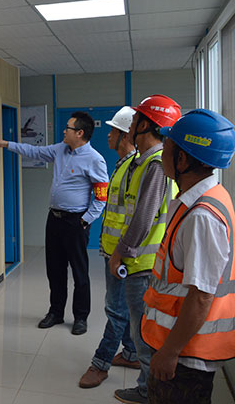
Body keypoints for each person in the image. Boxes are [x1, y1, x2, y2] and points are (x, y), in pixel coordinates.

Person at [141, 109, 235, 404]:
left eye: (167, 147)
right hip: (180, 345)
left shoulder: (201, 216)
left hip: (184, 356)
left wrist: (170, 352)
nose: (162, 154)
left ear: (182, 160)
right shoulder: (204, 198)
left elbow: (202, 296)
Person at [0, 111, 108, 335]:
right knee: (55, 270)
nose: (64, 131)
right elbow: (34, 151)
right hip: (54, 220)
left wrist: (85, 220)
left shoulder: (95, 159)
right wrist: (7, 144)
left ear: (80, 133)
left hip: (76, 222)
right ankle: (56, 312)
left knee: (79, 273)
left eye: (68, 128)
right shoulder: (60, 149)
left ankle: (80, 317)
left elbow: (102, 197)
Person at [111, 95, 181, 404]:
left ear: (145, 126)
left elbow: (143, 218)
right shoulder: (145, 161)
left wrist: (120, 252)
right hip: (143, 262)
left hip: (143, 264)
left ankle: (148, 391)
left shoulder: (154, 165)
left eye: (135, 120)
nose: (128, 127)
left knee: (144, 333)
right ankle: (148, 387)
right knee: (141, 329)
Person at [79, 106, 141, 388]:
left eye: (113, 131)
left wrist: (119, 253)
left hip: (123, 255)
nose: (108, 135)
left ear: (126, 135)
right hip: (114, 251)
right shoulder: (122, 164)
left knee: (115, 310)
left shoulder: (136, 167)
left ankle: (100, 363)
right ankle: (131, 353)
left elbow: (137, 217)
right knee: (122, 308)